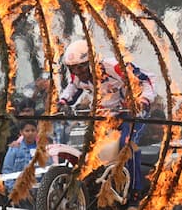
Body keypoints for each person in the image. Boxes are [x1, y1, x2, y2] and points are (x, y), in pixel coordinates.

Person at [58, 40, 156, 209]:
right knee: (88, 145)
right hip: (105, 116)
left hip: (132, 113)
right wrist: (62, 101)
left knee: (127, 144)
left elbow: (147, 80)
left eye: (80, 67)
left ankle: (135, 193)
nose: (77, 72)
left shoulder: (115, 67)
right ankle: (93, 184)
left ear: (91, 62)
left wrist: (144, 100)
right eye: (72, 68)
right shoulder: (76, 76)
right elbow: (72, 89)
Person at [2, 120, 39, 209]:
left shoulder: (42, 149)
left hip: (39, 191)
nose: (30, 133)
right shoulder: (14, 149)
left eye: (33, 130)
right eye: (27, 131)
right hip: (20, 192)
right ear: (21, 132)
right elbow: (7, 171)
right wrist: (13, 190)